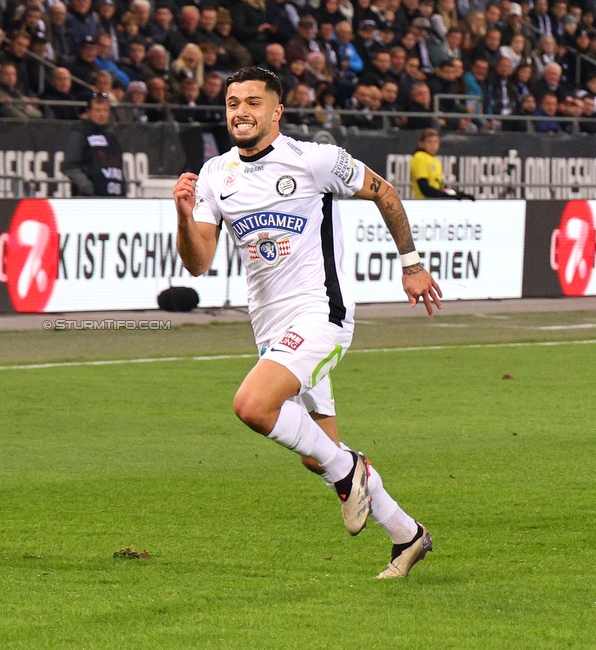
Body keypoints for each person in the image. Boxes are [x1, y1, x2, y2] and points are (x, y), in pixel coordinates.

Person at [172, 66, 441, 579]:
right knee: (316, 454)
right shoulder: (213, 175)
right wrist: (184, 216)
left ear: (276, 111)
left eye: (253, 102)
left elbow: (384, 192)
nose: (241, 112)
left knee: (253, 405)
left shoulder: (315, 160)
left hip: (323, 313)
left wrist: (410, 264)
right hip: (271, 328)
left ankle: (349, 472)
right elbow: (197, 262)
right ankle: (407, 535)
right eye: (232, 103)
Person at [63, 92, 125, 197]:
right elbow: (70, 166)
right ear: (88, 112)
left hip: (114, 198)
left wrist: (123, 191)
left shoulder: (112, 138)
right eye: (98, 110)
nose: (102, 114)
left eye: (105, 110)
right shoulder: (80, 133)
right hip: (88, 199)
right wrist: (87, 188)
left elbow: (119, 168)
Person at [410, 128, 474, 199]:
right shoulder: (419, 157)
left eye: (436, 142)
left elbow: (441, 186)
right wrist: (447, 196)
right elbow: (424, 187)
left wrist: (459, 194)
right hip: (425, 203)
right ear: (421, 144)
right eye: (429, 142)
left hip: (436, 202)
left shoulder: (435, 161)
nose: (433, 145)